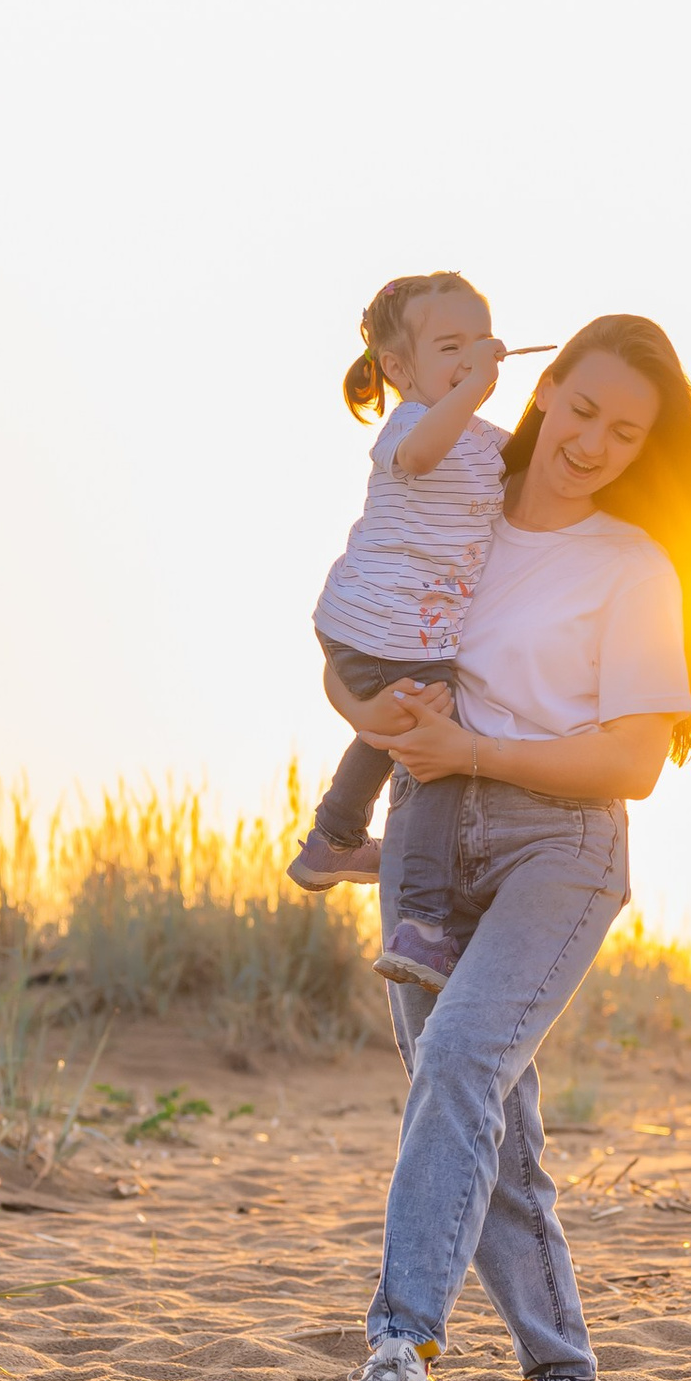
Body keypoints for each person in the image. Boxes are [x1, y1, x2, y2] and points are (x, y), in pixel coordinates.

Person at [319, 313, 691, 1381]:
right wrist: (371, 720)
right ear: (545, 394)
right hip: (429, 835)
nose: (591, 441)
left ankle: (398, 1362)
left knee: (459, 1067)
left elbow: (632, 762)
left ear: (648, 450)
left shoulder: (633, 567)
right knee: (485, 1118)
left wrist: (472, 753)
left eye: (625, 431)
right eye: (580, 409)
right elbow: (356, 622)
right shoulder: (456, 505)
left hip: (561, 847)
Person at [286, 271, 507, 981]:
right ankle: (422, 924)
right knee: (437, 753)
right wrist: (471, 388)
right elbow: (420, 458)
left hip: (391, 634)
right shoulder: (411, 423)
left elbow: (520, 465)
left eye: (482, 343)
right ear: (400, 369)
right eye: (451, 348)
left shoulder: (479, 436)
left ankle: (332, 840)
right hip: (377, 626)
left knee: (392, 727)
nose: (472, 360)